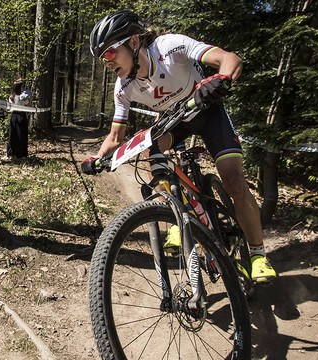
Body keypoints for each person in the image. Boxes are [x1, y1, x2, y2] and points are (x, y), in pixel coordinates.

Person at [81, 10, 277, 283]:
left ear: (134, 42)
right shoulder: (123, 87)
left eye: (110, 53)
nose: (107, 62)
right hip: (174, 122)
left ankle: (257, 254)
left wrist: (222, 79)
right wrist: (98, 157)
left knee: (233, 179)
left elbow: (230, 59)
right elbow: (116, 137)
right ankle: (176, 213)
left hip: (208, 112)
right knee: (152, 151)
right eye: (102, 59)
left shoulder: (170, 47)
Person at [7, 78, 32, 160]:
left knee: (13, 134)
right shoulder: (22, 97)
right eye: (23, 86)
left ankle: (12, 152)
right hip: (21, 116)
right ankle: (20, 153)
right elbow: (29, 105)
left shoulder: (11, 97)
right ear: (19, 87)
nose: (24, 88)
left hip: (14, 116)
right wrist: (27, 100)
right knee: (21, 134)